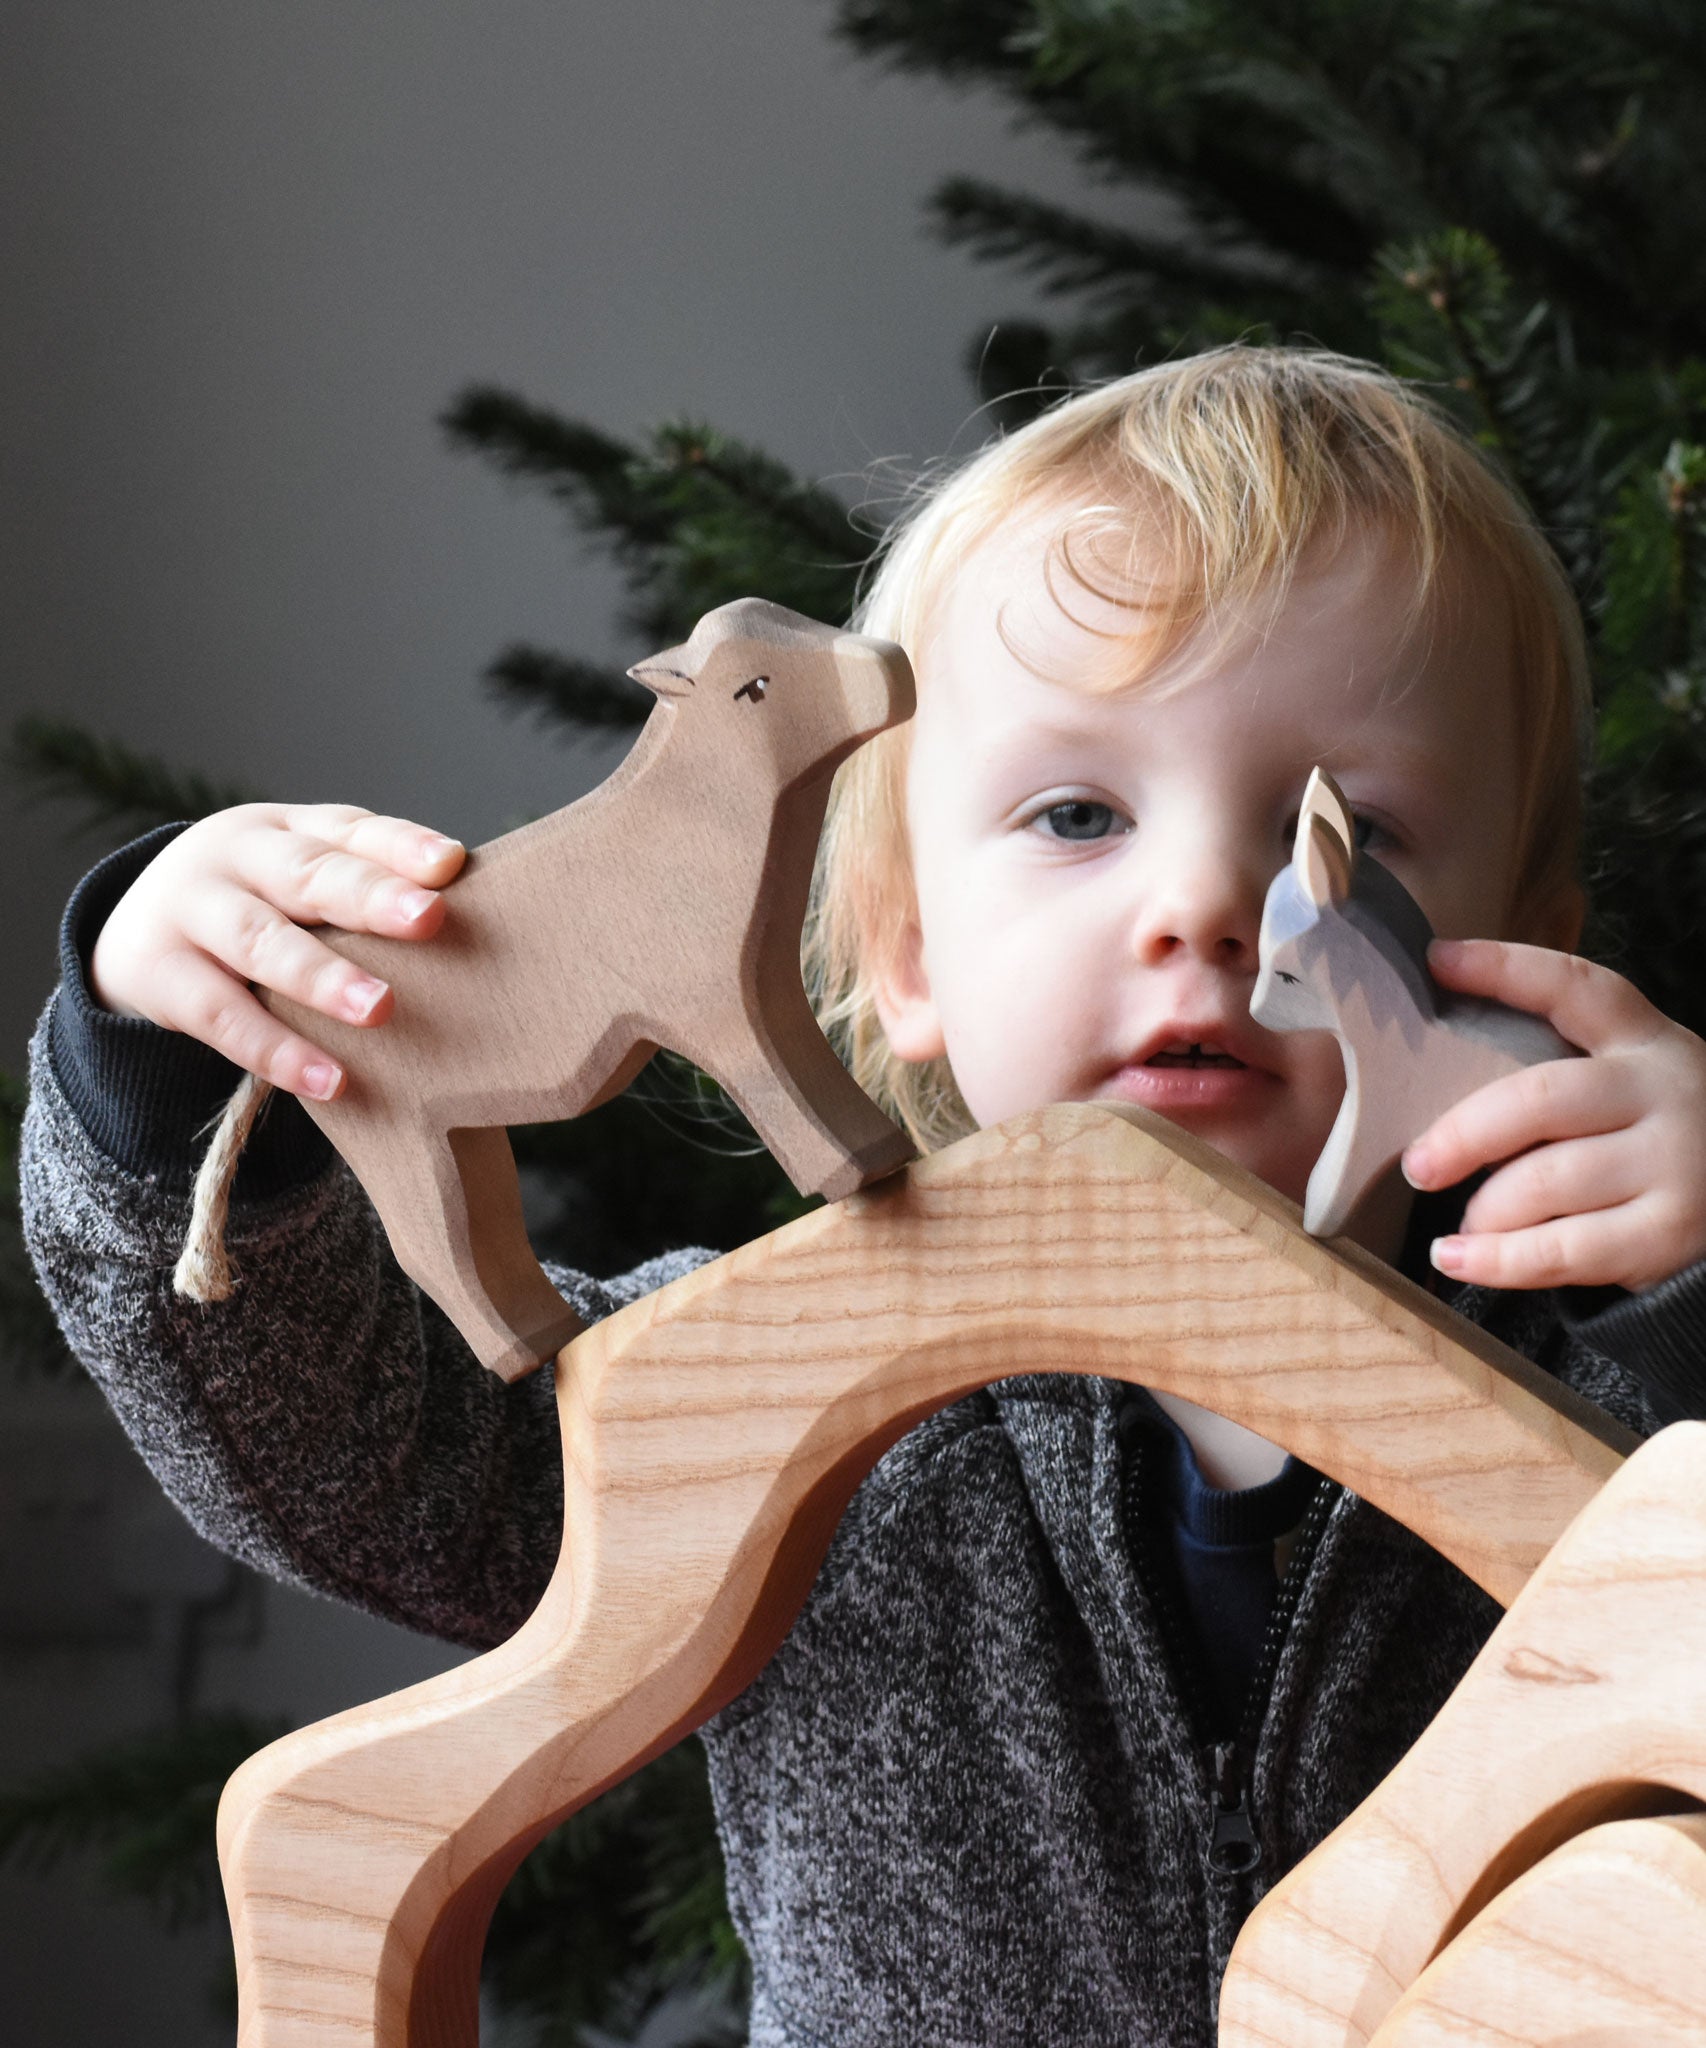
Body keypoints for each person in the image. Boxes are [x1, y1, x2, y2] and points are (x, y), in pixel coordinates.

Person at [21, 345, 1706, 2045]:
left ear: (1530, 953)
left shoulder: (1622, 1383)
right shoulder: (785, 1378)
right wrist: (171, 1068)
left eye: (1352, 833)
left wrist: (1688, 1290)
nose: (1205, 902)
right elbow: (374, 1466)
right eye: (1076, 813)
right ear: (904, 953)